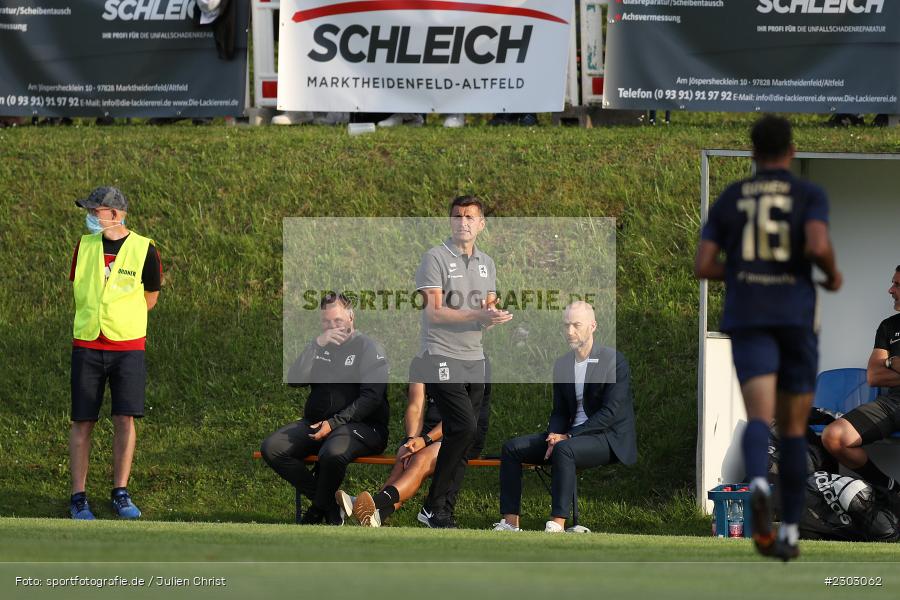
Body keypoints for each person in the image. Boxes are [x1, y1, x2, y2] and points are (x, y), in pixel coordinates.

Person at [694, 115, 842, 561]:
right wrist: (832, 274)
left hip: (750, 317)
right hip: (795, 318)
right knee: (795, 429)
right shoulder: (807, 193)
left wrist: (743, 272)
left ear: (753, 153)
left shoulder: (733, 196)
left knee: (760, 420)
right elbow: (817, 244)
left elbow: (704, 264)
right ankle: (792, 530)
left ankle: (757, 484)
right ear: (791, 151)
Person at [493, 302, 636, 533]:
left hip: (607, 437)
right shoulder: (563, 364)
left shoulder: (613, 360)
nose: (570, 331)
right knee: (511, 448)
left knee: (564, 449)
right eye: (566, 325)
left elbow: (610, 413)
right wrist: (553, 434)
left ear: (593, 326)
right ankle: (510, 523)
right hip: (568, 436)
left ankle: (557, 523)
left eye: (576, 325)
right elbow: (560, 410)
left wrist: (567, 436)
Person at [414, 195, 512, 528]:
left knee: (465, 437)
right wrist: (478, 314)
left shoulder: (488, 262)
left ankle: (441, 511)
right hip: (441, 355)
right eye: (457, 216)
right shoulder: (435, 258)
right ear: (450, 221)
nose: (463, 222)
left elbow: (487, 307)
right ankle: (431, 506)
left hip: (475, 358)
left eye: (470, 217)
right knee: (464, 426)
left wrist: (493, 316)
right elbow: (435, 313)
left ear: (481, 224)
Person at [68, 187, 162, 520]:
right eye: (89, 210)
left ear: (115, 214)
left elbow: (150, 296)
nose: (90, 216)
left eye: (95, 210)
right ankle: (78, 498)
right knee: (82, 421)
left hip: (127, 346)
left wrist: (123, 321)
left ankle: (120, 493)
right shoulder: (84, 245)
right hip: (88, 344)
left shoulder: (144, 248)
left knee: (125, 418)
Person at [260, 293, 389, 525]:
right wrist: (315, 345)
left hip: (362, 427)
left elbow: (372, 398)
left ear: (351, 318)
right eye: (326, 322)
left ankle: (318, 510)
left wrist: (334, 423)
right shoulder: (319, 347)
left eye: (338, 321)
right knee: (272, 448)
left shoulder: (368, 347)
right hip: (317, 424)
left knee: (332, 453)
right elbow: (295, 380)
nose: (332, 327)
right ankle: (330, 504)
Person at [337, 357, 492, 526]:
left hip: (461, 434)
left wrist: (425, 440)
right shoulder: (423, 359)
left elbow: (461, 419)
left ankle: (367, 504)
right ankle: (377, 515)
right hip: (430, 433)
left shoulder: (473, 358)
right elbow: (415, 405)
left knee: (420, 459)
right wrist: (411, 440)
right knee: (404, 457)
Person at [821, 266, 900, 494]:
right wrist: (890, 362)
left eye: (897, 285)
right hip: (894, 403)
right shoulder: (889, 327)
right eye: (892, 283)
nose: (890, 289)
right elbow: (874, 376)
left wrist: (891, 362)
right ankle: (890, 489)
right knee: (834, 437)